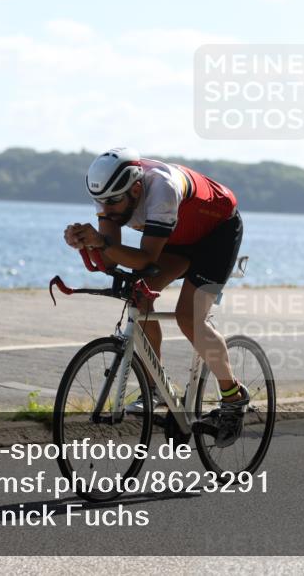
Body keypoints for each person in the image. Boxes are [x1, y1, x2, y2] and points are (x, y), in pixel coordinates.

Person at [63, 148, 247, 446]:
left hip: (217, 234)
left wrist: (102, 242)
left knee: (189, 317)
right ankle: (156, 387)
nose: (106, 212)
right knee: (140, 296)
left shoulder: (162, 188)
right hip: (177, 238)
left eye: (113, 204)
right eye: (101, 204)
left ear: (135, 188)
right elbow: (110, 261)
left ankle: (233, 397)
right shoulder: (111, 193)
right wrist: (87, 244)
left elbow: (146, 258)